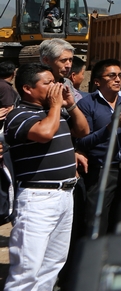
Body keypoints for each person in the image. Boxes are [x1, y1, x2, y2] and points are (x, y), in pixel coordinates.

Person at [4, 63, 89, 291]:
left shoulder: (56, 111)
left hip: (65, 194)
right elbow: (44, 133)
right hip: (37, 198)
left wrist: (70, 106)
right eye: (48, 83)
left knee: (52, 264)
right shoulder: (18, 114)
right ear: (28, 89)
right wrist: (55, 105)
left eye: (55, 82)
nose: (55, 87)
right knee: (26, 271)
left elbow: (83, 130)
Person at [74, 59, 121, 234]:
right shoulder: (87, 104)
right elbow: (82, 141)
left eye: (119, 75)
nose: (118, 79)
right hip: (101, 171)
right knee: (97, 221)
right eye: (111, 76)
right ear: (97, 81)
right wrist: (110, 128)